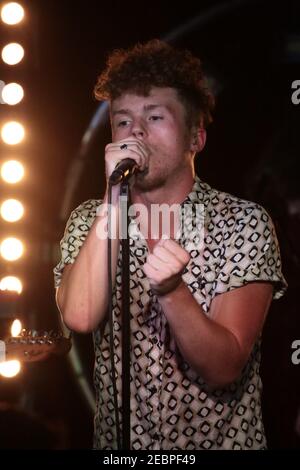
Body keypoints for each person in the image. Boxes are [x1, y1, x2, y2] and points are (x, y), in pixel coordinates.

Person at [54, 39, 287, 450]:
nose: (136, 131)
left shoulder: (241, 222)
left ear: (195, 138)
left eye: (155, 116)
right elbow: (80, 314)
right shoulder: (91, 220)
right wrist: (113, 197)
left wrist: (172, 291)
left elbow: (225, 366)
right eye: (123, 121)